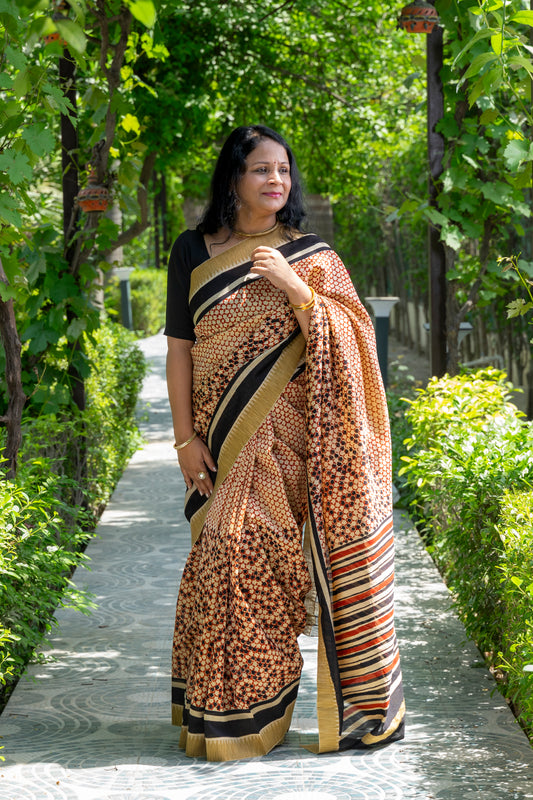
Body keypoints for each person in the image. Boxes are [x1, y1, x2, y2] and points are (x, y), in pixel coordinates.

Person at [164, 124, 405, 762]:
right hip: (223, 441)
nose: (277, 181)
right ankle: (230, 717)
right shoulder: (194, 249)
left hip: (304, 440)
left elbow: (353, 340)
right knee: (228, 554)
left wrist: (297, 291)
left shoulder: (311, 254)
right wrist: (184, 438)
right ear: (233, 179)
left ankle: (258, 713)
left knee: (263, 558)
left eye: (284, 170)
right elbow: (180, 352)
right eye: (261, 170)